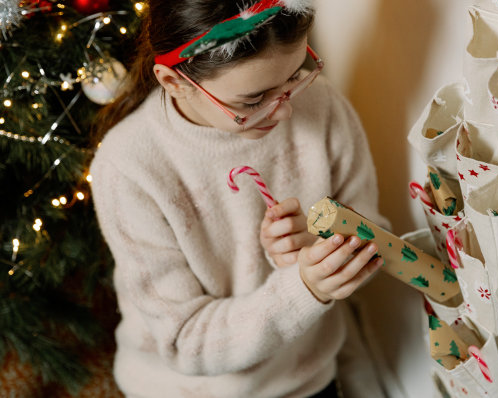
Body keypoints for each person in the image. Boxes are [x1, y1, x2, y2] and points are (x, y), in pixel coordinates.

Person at [90, 0, 391, 397]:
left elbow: (377, 241)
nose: (284, 112)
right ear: (174, 82)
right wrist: (303, 289)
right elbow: (186, 341)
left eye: (296, 75)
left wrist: (325, 245)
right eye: (253, 101)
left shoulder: (321, 105)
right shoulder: (128, 166)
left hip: (306, 379)